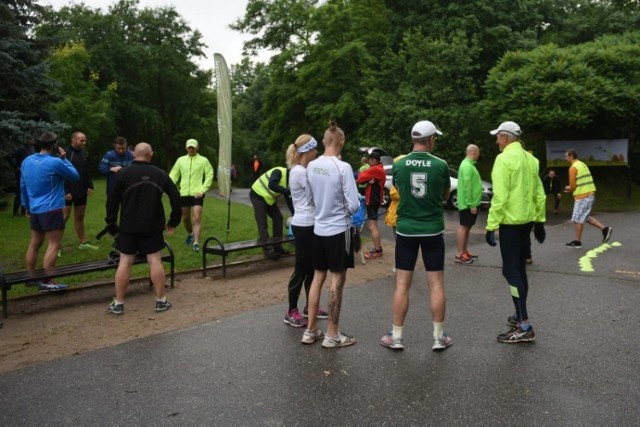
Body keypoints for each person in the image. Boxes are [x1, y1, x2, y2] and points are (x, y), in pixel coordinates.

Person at [380, 120, 453, 352]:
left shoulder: (400, 165)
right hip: (432, 230)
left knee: (402, 284)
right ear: (431, 139)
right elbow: (443, 192)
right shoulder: (441, 165)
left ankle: (397, 336)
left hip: (406, 230)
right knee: (436, 284)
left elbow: (400, 191)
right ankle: (438, 337)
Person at [485, 121, 546, 343]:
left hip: (510, 222)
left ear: (505, 137)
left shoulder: (504, 159)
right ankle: (519, 315)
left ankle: (524, 324)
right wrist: (539, 220)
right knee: (519, 269)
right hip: (527, 221)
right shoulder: (531, 159)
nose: (496, 141)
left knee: (510, 272)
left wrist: (491, 225)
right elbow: (540, 193)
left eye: (498, 137)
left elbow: (500, 196)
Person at [301, 120, 360, 348]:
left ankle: (310, 330)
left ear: (325, 141)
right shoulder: (343, 168)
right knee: (337, 280)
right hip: (338, 230)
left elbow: (308, 199)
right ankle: (332, 334)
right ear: (341, 142)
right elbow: (354, 206)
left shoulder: (312, 166)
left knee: (317, 278)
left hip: (318, 229)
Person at [105, 142, 181, 315]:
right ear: (151, 154)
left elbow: (112, 201)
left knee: (125, 262)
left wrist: (111, 224)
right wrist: (173, 221)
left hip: (128, 225)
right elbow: (176, 198)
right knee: (155, 260)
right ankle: (161, 300)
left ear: (134, 154)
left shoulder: (123, 174)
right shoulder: (160, 174)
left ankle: (119, 303)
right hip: (153, 225)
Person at [21, 131, 79, 291]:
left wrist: (26, 205)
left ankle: (31, 277)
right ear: (55, 145)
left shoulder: (27, 161)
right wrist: (65, 158)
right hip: (52, 209)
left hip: (35, 209)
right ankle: (48, 282)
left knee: (34, 244)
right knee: (54, 244)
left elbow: (23, 185)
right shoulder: (55, 162)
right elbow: (75, 176)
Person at [282, 134, 328, 327]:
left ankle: (311, 305)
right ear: (308, 150)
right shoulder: (300, 172)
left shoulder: (304, 170)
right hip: (304, 225)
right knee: (301, 268)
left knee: (311, 268)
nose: (317, 152)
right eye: (315, 149)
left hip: (311, 224)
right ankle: (291, 310)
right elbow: (316, 196)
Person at [169, 138, 214, 252]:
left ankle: (196, 242)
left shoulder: (203, 160)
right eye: (189, 147)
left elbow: (209, 175)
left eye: (193, 147)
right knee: (185, 218)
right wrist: (169, 186)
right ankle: (190, 233)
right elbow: (174, 175)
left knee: (197, 217)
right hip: (183, 193)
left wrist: (202, 190)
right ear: (186, 148)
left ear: (197, 148)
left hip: (197, 194)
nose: (191, 149)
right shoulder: (180, 160)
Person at [564, 150, 612, 248]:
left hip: (583, 196)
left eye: (566, 156)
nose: (565, 158)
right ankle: (605, 229)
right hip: (589, 194)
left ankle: (577, 242)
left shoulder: (573, 168)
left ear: (571, 156)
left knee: (578, 219)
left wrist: (569, 188)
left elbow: (572, 186)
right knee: (585, 217)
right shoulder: (582, 164)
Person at [249, 161, 295, 260]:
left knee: (278, 218)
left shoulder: (289, 181)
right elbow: (272, 184)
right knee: (262, 223)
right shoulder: (278, 171)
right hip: (257, 195)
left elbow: (288, 198)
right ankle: (268, 251)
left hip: (268, 199)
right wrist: (285, 191)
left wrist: (294, 213)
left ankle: (277, 247)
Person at [63, 131, 98, 251]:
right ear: (73, 140)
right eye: (81, 140)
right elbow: (61, 173)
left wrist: (90, 185)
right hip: (67, 191)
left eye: (85, 140)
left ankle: (83, 242)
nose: (84, 142)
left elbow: (87, 170)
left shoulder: (84, 153)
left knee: (80, 216)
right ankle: (55, 246)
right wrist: (66, 191)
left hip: (81, 190)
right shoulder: (66, 153)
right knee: (64, 216)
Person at [454, 144, 482, 264]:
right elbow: (467, 187)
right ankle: (460, 254)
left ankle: (464, 252)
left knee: (467, 227)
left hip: (470, 203)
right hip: (467, 204)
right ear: (473, 152)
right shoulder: (466, 166)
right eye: (478, 152)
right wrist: (472, 204)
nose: (479, 155)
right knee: (464, 227)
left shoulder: (469, 165)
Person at [356, 151, 386, 259]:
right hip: (375, 200)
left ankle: (377, 250)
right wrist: (369, 179)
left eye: (370, 160)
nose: (369, 162)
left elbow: (360, 178)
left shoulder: (375, 169)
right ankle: (378, 248)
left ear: (373, 160)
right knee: (372, 225)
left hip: (372, 200)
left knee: (372, 226)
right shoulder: (379, 168)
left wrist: (367, 177)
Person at [12, 138, 35, 217]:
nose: (33, 141)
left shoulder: (31, 148)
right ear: (28, 140)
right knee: (19, 192)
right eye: (32, 139)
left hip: (28, 172)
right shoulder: (21, 148)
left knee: (26, 191)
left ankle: (23, 210)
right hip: (20, 172)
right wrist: (16, 166)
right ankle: (15, 212)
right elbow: (9, 156)